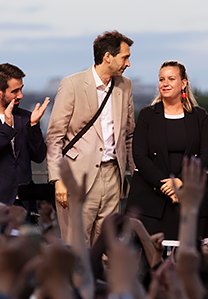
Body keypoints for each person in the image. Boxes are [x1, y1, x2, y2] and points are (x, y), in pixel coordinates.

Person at [45, 30, 136, 245]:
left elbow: (129, 135)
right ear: (108, 57)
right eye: (125, 57)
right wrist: (58, 180)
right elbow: (54, 137)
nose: (128, 63)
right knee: (77, 248)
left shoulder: (125, 85)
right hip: (77, 179)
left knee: (107, 246)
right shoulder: (72, 84)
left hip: (114, 176)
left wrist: (134, 175)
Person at [127, 61, 208, 240]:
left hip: (190, 195)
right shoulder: (147, 115)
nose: (165, 83)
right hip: (152, 197)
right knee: (150, 260)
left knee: (193, 259)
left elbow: (207, 155)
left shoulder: (200, 116)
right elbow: (139, 155)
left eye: (171, 78)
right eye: (161, 79)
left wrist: (181, 182)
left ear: (183, 83)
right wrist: (166, 186)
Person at [0, 63, 50, 209]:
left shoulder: (26, 117)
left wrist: (33, 126)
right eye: (15, 91)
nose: (20, 95)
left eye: (21, 88)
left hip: (25, 203)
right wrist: (6, 128)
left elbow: (39, 157)